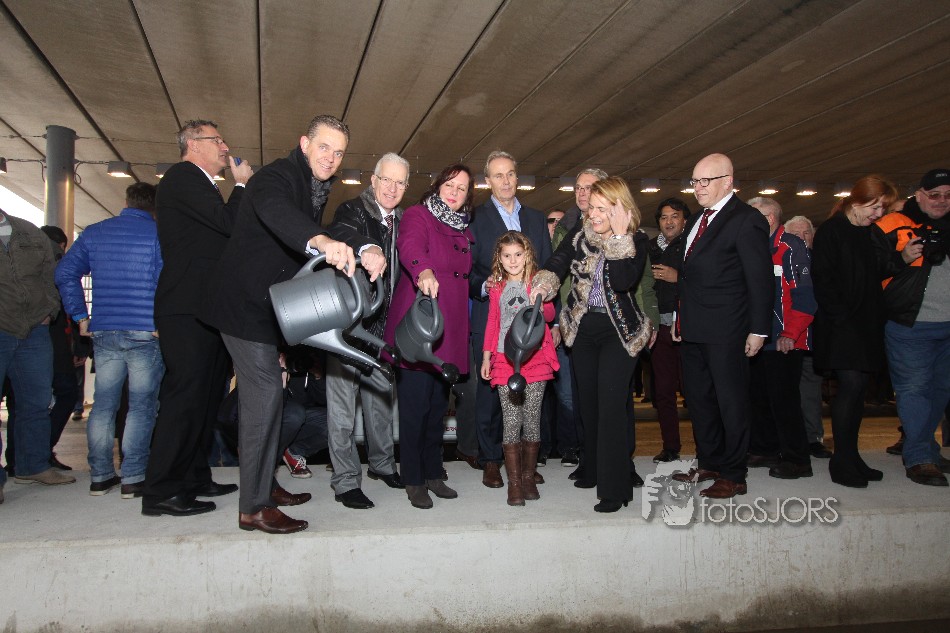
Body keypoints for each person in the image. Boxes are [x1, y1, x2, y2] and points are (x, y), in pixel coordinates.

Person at [201, 114, 366, 534]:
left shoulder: (313, 184)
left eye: (339, 152)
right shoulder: (277, 176)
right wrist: (321, 240)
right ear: (304, 144)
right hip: (241, 306)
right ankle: (253, 507)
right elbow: (275, 210)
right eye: (324, 147)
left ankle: (265, 485)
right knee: (263, 397)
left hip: (264, 309)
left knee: (271, 400)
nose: (331, 158)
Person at [142, 119, 253, 517]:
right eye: (216, 140)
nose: (225, 147)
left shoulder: (202, 185)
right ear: (192, 144)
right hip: (186, 307)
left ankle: (193, 476)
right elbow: (228, 223)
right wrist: (242, 186)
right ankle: (161, 490)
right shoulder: (182, 177)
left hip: (207, 308)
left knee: (206, 400)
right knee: (185, 398)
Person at [533, 176, 654, 513]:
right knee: (588, 404)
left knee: (611, 406)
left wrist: (618, 238)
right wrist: (545, 284)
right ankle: (593, 467)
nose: (594, 214)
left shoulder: (636, 240)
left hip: (619, 331)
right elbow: (558, 260)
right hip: (583, 329)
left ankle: (615, 489)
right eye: (592, 208)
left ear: (620, 209)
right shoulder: (580, 234)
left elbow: (623, 281)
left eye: (602, 208)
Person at [671, 153, 773, 500]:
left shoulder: (746, 220)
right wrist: (680, 318)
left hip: (728, 330)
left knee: (731, 402)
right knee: (699, 400)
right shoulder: (697, 220)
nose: (698, 188)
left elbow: (760, 279)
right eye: (694, 181)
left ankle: (734, 474)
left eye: (706, 181)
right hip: (693, 328)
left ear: (728, 181)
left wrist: (758, 330)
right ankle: (710, 463)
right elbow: (688, 277)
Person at [55, 183, 165, 499]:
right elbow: (168, 282)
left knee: (104, 405)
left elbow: (64, 273)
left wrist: (80, 315)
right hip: (146, 331)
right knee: (142, 406)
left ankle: (101, 476)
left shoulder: (94, 233)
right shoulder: (159, 235)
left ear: (126, 201)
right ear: (155, 207)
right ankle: (133, 476)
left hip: (104, 330)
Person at [383, 164, 475, 509]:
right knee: (414, 408)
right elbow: (409, 246)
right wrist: (423, 270)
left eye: (462, 188)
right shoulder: (418, 215)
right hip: (421, 325)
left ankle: (434, 472)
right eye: (450, 184)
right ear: (437, 185)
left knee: (437, 408)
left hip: (449, 328)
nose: (454, 192)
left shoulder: (463, 228)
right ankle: (413, 478)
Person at [325, 153, 410, 509]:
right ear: (373, 180)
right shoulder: (352, 210)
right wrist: (368, 247)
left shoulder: (405, 221)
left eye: (399, 182)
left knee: (379, 404)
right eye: (385, 180)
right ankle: (346, 481)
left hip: (383, 331)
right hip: (348, 328)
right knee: (343, 411)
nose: (391, 188)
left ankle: (382, 465)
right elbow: (340, 232)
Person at [812, 175, 902, 488]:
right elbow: (823, 280)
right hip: (842, 326)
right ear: (857, 201)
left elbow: (875, 271)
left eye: (883, 208)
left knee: (858, 391)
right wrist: (843, 319)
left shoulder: (867, 232)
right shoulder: (832, 230)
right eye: (875, 207)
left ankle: (851, 456)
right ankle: (841, 461)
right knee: (850, 389)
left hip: (865, 324)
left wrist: (902, 258)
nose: (879, 214)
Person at [469, 151, 552, 488]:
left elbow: (548, 270)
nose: (505, 181)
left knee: (531, 395)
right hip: (492, 318)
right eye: (498, 175)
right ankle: (491, 459)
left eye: (510, 174)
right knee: (490, 394)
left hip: (533, 324)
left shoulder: (536, 217)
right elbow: (467, 269)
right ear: (488, 180)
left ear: (518, 177)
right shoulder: (474, 217)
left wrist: (554, 321)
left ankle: (524, 466)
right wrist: (484, 284)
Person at [872, 168, 950, 486]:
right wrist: (902, 257)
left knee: (940, 392)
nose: (941, 201)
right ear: (919, 195)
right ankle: (918, 457)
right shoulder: (892, 223)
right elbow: (869, 268)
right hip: (909, 324)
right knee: (914, 390)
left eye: (948, 195)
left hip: (948, 326)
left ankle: (927, 448)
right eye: (934, 194)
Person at [0, 207, 76, 501]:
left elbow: (51, 273)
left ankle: (33, 465)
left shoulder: (28, 231)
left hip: (35, 329)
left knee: (37, 401)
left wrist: (49, 310)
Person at [480, 231, 558, 506]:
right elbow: (493, 322)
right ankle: (514, 484)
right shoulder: (497, 287)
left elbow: (550, 314)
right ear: (499, 259)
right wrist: (487, 357)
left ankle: (527, 478)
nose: (513, 260)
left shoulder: (537, 282)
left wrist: (542, 297)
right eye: (507, 256)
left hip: (536, 359)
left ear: (527, 255)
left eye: (518, 254)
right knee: (511, 421)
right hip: (505, 360)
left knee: (532, 419)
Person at [746, 197, 816, 480]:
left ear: (770, 218)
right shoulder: (754, 247)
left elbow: (805, 297)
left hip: (784, 339)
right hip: (758, 337)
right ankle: (766, 448)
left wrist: (791, 333)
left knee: (784, 400)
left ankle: (798, 458)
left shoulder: (790, 246)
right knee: (758, 396)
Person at [783, 215, 832, 458]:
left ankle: (813, 438)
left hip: (813, 337)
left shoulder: (823, 263)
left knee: (811, 392)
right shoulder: (782, 260)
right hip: (786, 337)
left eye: (807, 233)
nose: (802, 238)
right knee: (785, 392)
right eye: (796, 234)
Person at [648, 197, 691, 463]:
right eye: (664, 217)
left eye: (675, 216)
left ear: (684, 220)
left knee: (695, 390)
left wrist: (679, 278)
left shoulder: (693, 244)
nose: (669, 222)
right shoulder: (650, 247)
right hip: (659, 329)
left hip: (688, 327)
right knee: (663, 392)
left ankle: (707, 448)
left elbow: (707, 280)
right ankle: (670, 446)